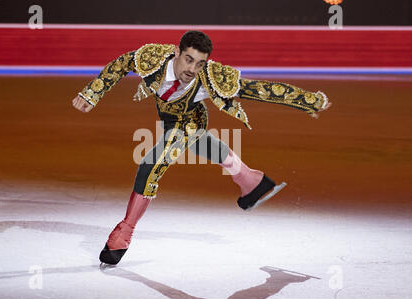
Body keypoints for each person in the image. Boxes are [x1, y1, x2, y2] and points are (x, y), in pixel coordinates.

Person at [72, 31, 330, 265]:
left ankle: (124, 233)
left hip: (189, 121)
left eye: (200, 63)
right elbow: (121, 64)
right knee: (200, 144)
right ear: (176, 52)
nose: (192, 69)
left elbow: (259, 89)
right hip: (170, 118)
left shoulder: (211, 78)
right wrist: (92, 93)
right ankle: (252, 181)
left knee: (151, 163)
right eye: (188, 59)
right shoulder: (153, 57)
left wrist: (309, 101)